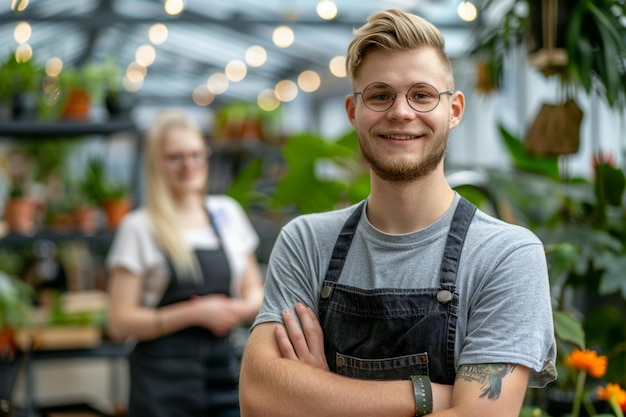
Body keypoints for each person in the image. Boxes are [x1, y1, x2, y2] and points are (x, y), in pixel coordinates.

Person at [239, 8, 556, 417]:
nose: (401, 112)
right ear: (354, 112)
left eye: (422, 94)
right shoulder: (306, 242)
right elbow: (259, 397)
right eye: (380, 95)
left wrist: (317, 395)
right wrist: (431, 397)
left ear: (454, 110)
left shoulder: (506, 255)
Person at [106, 109, 264, 417]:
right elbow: (119, 323)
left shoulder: (227, 213)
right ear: (156, 163)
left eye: (195, 154)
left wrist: (232, 310)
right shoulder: (140, 227)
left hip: (224, 372)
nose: (188, 165)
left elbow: (255, 292)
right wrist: (194, 313)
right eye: (175, 157)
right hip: (160, 382)